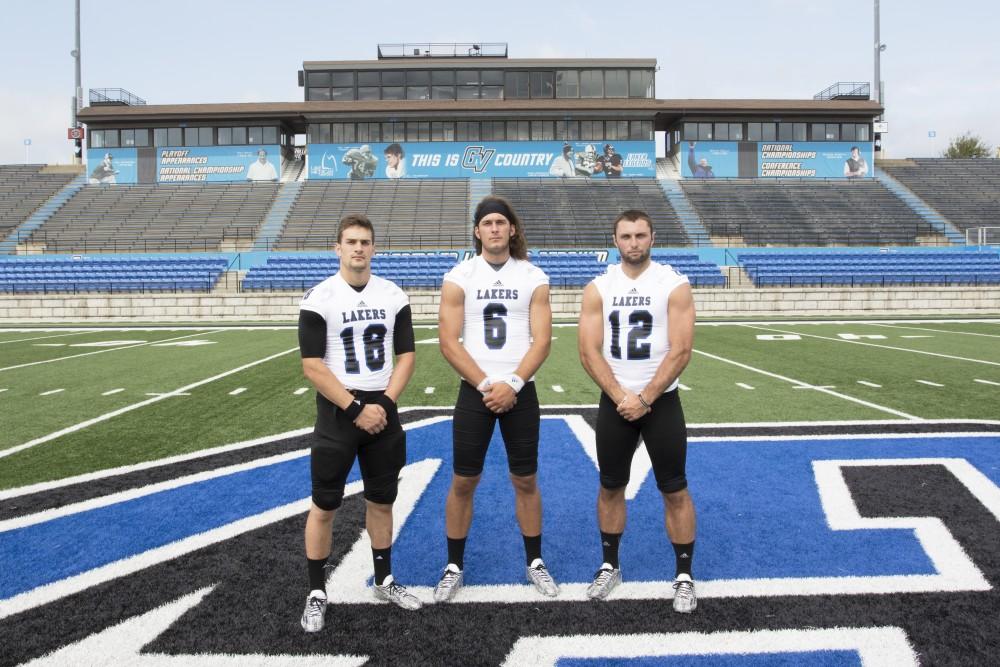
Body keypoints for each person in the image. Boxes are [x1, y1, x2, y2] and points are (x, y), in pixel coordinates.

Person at [297, 213, 421, 633]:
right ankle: (316, 591)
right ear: (337, 248)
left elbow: (406, 356)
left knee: (382, 500)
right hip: (338, 411)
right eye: (351, 241)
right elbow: (312, 366)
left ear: (374, 248)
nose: (358, 248)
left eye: (365, 242)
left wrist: (384, 402)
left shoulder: (392, 294)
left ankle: (384, 578)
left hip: (382, 409)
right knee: (325, 504)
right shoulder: (319, 298)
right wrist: (355, 409)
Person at [433, 195, 558, 602]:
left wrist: (515, 385)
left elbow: (543, 341)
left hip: (521, 390)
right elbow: (448, 342)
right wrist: (488, 385)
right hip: (476, 392)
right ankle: (454, 565)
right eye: (487, 223)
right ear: (477, 231)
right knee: (464, 479)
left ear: (512, 229)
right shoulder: (459, 276)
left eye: (500, 223)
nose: (494, 229)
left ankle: (535, 561)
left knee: (525, 479)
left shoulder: (533, 276)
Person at [577, 209, 698, 613]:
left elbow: (681, 350)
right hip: (616, 403)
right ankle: (610, 564)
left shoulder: (673, 283)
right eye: (626, 236)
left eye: (640, 235)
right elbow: (588, 350)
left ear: (652, 237)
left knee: (674, 488)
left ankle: (684, 575)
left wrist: (645, 397)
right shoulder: (599, 286)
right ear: (615, 240)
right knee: (610, 485)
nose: (634, 243)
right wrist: (619, 395)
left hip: (660, 401)